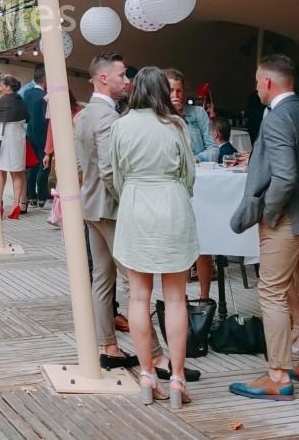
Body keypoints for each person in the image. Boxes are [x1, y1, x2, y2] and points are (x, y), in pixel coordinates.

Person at [229, 54, 299, 402]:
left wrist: (270, 213)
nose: (255, 87)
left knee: (272, 292)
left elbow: (286, 175)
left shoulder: (276, 119)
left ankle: (277, 373)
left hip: (288, 218)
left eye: (258, 81)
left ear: (270, 83)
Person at [110, 67, 200, 409]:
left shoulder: (121, 125)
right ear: (163, 90)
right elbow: (188, 174)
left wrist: (132, 194)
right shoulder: (176, 125)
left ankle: (147, 375)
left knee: (138, 298)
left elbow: (116, 175)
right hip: (171, 204)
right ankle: (176, 378)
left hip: (135, 206)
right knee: (176, 298)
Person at [75, 54, 137, 370]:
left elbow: (78, 166)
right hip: (111, 208)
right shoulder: (107, 118)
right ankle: (154, 355)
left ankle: (109, 346)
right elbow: (109, 170)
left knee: (102, 278)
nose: (126, 81)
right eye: (122, 75)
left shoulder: (84, 115)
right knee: (133, 281)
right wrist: (129, 201)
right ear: (103, 78)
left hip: (90, 206)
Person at [166, 68, 219, 303]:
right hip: (171, 187)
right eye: (170, 91)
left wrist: (196, 158)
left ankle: (205, 299)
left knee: (203, 244)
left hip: (198, 184)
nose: (176, 95)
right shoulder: (158, 118)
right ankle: (179, 300)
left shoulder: (196, 114)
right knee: (175, 245)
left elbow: (214, 148)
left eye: (179, 90)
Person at [0, 75, 29, 218]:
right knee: (17, 173)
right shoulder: (21, 101)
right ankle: (16, 205)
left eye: (1, 86)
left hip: (4, 137)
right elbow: (27, 118)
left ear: (8, 87)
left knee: (0, 171)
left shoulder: (2, 101)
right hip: (19, 137)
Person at [22, 66, 49, 209]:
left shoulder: (27, 93)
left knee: (32, 166)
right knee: (44, 166)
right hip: (43, 134)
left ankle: (31, 195)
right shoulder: (44, 97)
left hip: (29, 133)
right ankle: (42, 197)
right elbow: (47, 118)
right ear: (45, 80)